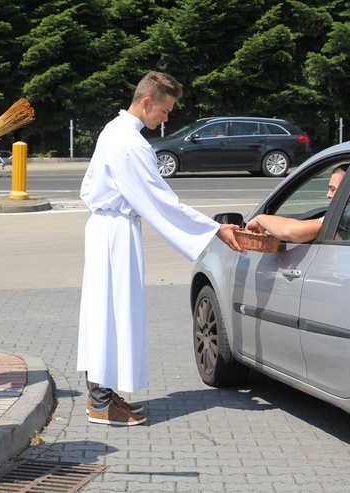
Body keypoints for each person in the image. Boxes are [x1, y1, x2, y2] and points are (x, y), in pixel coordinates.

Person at [77, 71, 242, 426]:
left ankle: (102, 394)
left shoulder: (115, 129)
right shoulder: (131, 145)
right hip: (114, 234)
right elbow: (161, 202)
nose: (167, 119)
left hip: (109, 229)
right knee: (111, 314)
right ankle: (100, 404)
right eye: (165, 111)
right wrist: (214, 229)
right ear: (147, 102)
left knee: (106, 314)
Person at [246, 164, 348, 242]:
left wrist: (261, 218)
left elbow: (289, 231)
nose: (328, 194)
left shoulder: (343, 218)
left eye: (333, 189)